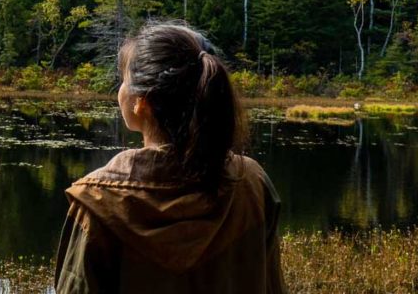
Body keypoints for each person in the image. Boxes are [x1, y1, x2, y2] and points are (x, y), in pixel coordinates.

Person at [54, 20, 285, 293]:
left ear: (142, 102)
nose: (120, 90)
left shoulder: (98, 204)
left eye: (124, 81)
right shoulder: (253, 185)